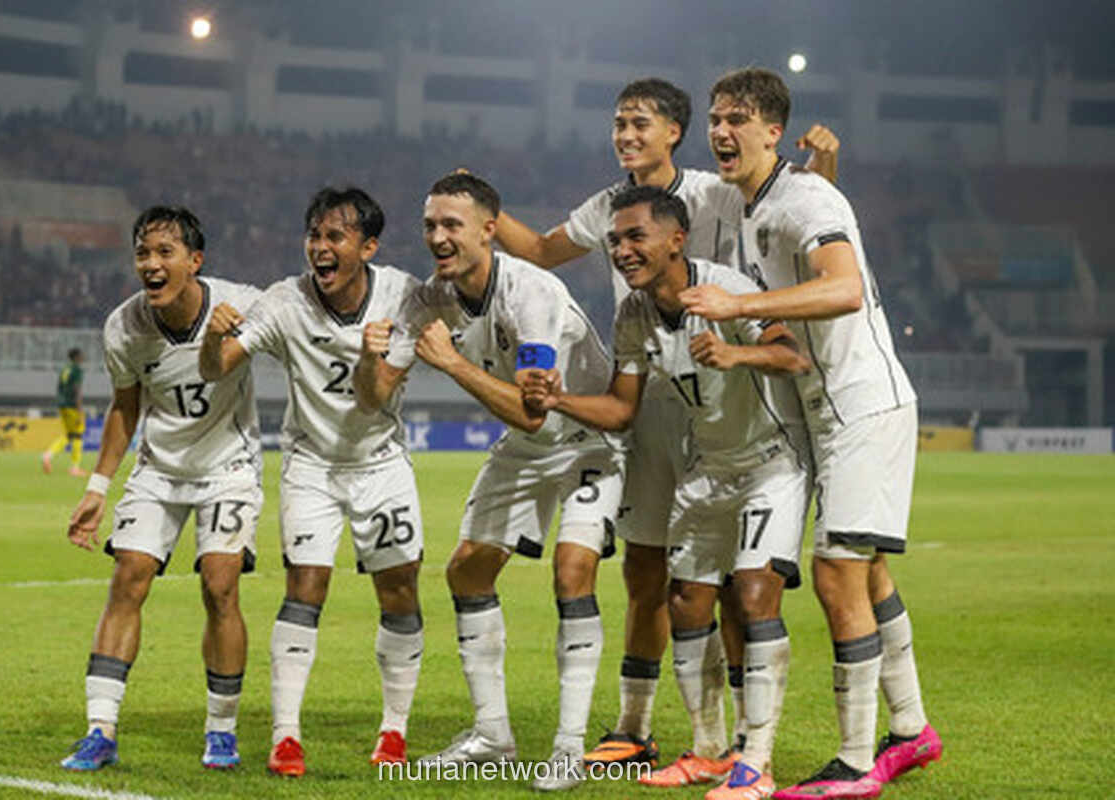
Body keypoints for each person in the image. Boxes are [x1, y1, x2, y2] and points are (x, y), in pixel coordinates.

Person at [492, 76, 840, 786]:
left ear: (674, 132)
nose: (624, 135)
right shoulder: (608, 213)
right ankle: (638, 726)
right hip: (654, 392)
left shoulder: (717, 188)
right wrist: (479, 210)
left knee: (745, 589)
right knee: (656, 572)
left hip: (737, 401)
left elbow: (795, 221)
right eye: (617, 123)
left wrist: (825, 166)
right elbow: (539, 249)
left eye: (639, 124)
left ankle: (749, 743)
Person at [682, 67, 941, 799]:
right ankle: (912, 731)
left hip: (863, 405)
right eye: (715, 119)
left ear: (772, 130)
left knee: (834, 572)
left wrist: (739, 309)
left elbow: (845, 287)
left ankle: (858, 764)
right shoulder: (753, 206)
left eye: (737, 119)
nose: (722, 132)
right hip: (827, 413)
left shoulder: (804, 198)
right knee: (868, 572)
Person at [522, 185, 812, 800]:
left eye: (636, 237)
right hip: (703, 468)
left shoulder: (726, 285)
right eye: (616, 240)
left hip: (768, 465)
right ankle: (707, 750)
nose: (622, 250)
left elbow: (793, 357)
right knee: (684, 601)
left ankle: (755, 761)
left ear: (676, 239)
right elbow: (623, 410)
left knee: (756, 593)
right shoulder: (633, 312)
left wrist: (736, 352)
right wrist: (557, 400)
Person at [355, 173, 625, 791]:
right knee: (467, 570)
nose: (438, 237)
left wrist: (449, 363)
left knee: (572, 568)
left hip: (591, 440)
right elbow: (374, 400)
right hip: (528, 447)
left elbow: (536, 408)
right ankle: (493, 735)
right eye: (430, 225)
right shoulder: (427, 299)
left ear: (488, 228)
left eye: (452, 224)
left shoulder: (533, 293)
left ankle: (567, 747)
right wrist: (371, 357)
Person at [198, 187, 426, 776]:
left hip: (380, 463)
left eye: (335, 237)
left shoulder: (403, 296)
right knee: (305, 585)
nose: (319, 249)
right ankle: (286, 736)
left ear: (368, 246)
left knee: (398, 590)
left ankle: (394, 732)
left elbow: (377, 400)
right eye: (314, 236)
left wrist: (374, 358)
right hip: (311, 466)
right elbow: (216, 368)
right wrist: (211, 336)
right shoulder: (284, 301)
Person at [60, 206, 263, 773]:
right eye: (143, 253)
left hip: (228, 466)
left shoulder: (239, 303)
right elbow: (126, 407)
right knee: (128, 576)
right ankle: (100, 730)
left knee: (221, 586)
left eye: (164, 253)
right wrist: (99, 486)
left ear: (195, 262)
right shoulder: (123, 327)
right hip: (160, 468)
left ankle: (221, 730)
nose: (150, 264)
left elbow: (296, 320)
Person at [42, 348, 88, 477]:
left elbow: (60, 387)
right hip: (72, 406)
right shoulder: (77, 370)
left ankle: (48, 454)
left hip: (62, 405)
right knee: (78, 435)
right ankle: (75, 468)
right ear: (77, 357)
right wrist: (79, 409)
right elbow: (77, 389)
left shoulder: (64, 369)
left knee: (69, 435)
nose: (83, 357)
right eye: (82, 355)